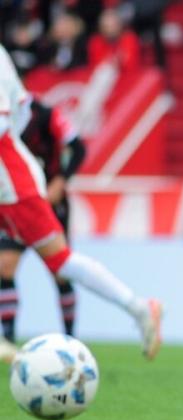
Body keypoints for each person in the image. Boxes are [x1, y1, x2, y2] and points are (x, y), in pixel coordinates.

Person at [0, 44, 162, 361]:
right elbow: (17, 118)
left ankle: (139, 308)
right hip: (12, 176)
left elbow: (5, 125)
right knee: (31, 263)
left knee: (60, 262)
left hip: (11, 183)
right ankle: (139, 307)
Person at [0, 98, 85, 345]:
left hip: (47, 204)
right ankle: (8, 339)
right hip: (15, 204)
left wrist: (60, 180)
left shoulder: (47, 115)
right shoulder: (6, 119)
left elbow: (79, 148)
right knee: (4, 266)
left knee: (60, 271)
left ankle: (71, 339)